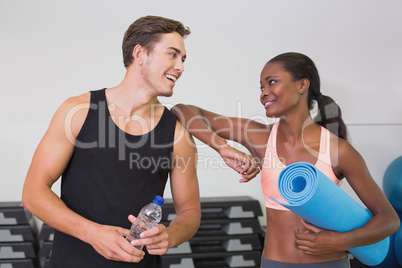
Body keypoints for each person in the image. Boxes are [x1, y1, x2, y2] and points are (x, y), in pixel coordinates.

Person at [171, 52, 400, 267]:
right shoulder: (260, 137)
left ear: (302, 85)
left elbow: (389, 219)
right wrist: (222, 147)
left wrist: (339, 242)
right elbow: (183, 111)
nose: (263, 92)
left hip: (329, 263)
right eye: (261, 86)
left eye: (272, 82)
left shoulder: (338, 150)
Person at [22, 15, 201, 268]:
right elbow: (33, 192)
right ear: (140, 54)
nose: (181, 66)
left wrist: (171, 235)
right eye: (172, 55)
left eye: (183, 59)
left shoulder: (177, 133)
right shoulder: (79, 111)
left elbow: (190, 213)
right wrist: (91, 232)